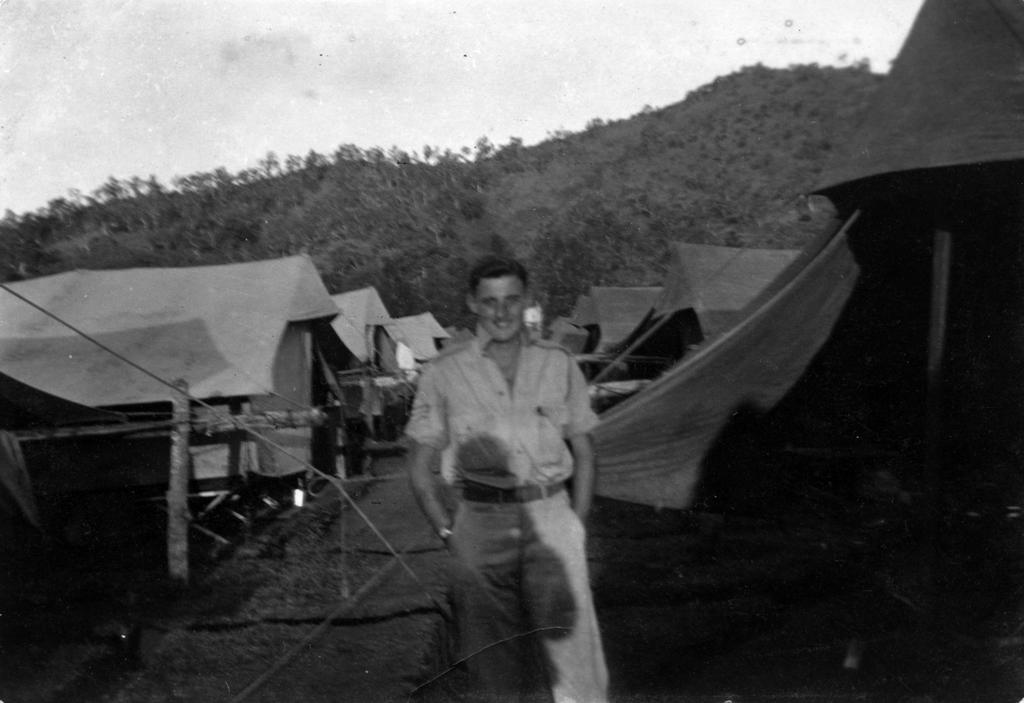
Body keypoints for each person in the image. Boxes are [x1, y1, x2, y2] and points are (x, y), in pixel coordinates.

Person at [405, 255, 608, 703]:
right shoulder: (444, 371)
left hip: (551, 515)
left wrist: (576, 522)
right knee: (492, 663)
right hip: (479, 520)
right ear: (472, 304)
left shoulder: (558, 364)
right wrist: (448, 532)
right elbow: (419, 467)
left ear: (527, 302)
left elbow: (585, 450)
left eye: (512, 300)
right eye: (490, 302)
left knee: (574, 655)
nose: (501, 313)